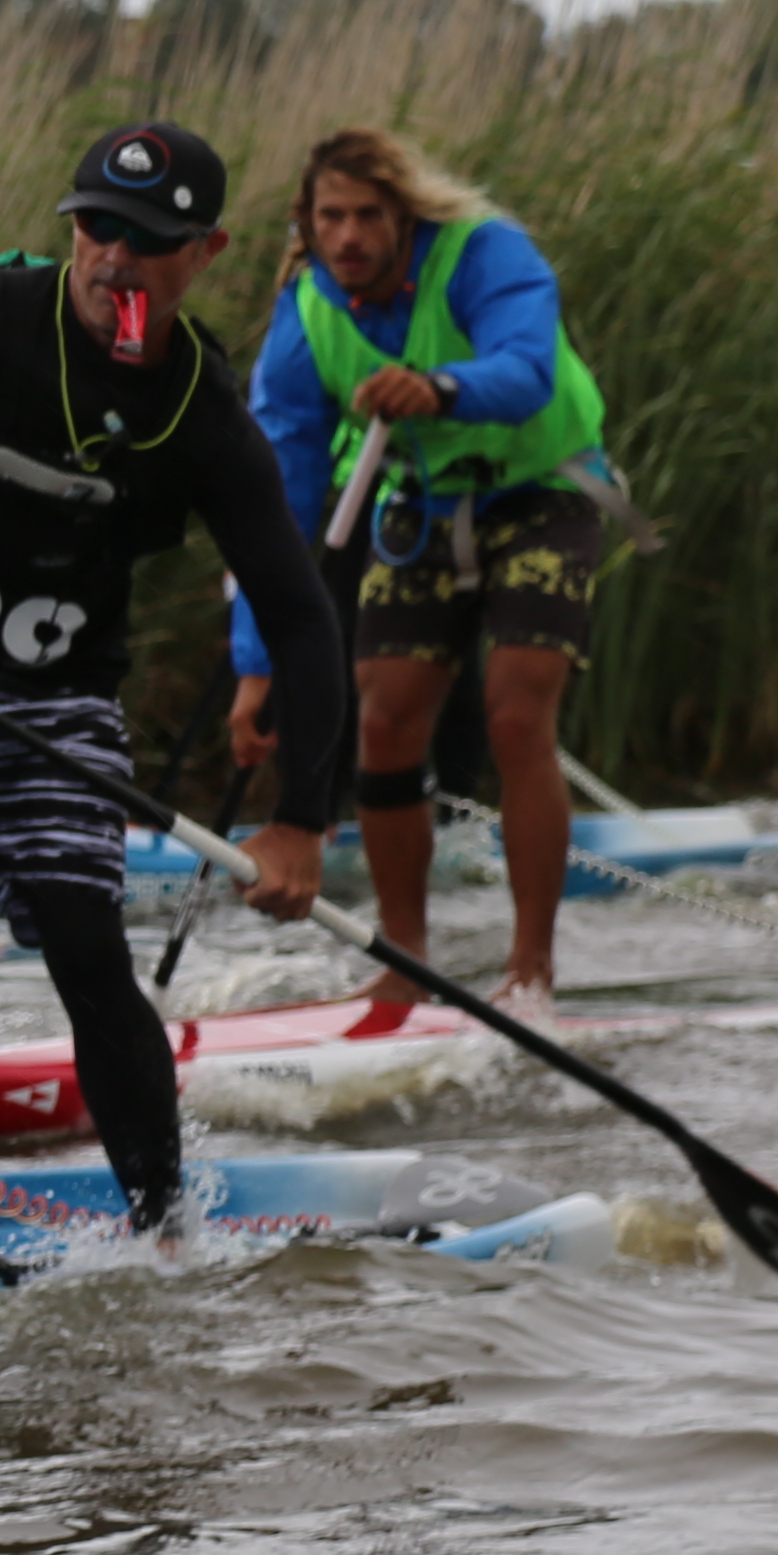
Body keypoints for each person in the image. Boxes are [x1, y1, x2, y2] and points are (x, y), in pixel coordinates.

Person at [0, 122, 346, 1238]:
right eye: (97, 228)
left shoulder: (201, 411)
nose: (114, 260)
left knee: (84, 937)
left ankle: (160, 1225)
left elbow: (299, 615)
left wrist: (301, 824)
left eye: (150, 242)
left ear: (206, 253)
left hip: (54, 697)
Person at [220, 128, 621, 1004]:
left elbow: (526, 372)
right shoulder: (306, 310)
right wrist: (254, 666)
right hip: (420, 506)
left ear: (406, 217)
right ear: (308, 222)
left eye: (369, 215)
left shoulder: (488, 250)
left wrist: (439, 388)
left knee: (516, 718)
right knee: (385, 729)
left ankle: (530, 972)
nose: (350, 236)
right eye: (332, 217)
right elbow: (275, 507)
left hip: (543, 491)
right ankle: (405, 965)